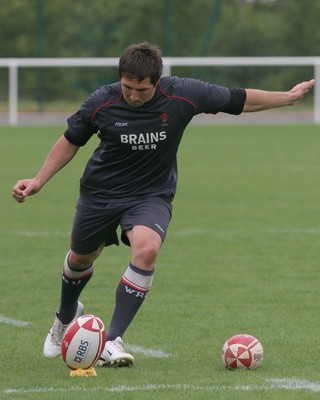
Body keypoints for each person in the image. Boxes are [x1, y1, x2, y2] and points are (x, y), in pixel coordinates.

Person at [12, 41, 315, 368]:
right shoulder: (102, 101)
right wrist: (38, 180)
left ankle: (112, 339)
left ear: (157, 81)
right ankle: (65, 317)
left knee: (147, 249)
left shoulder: (183, 94)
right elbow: (70, 140)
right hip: (100, 193)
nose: (132, 95)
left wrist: (286, 98)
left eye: (141, 89)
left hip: (150, 194)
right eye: (127, 87)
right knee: (82, 258)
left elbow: (237, 99)